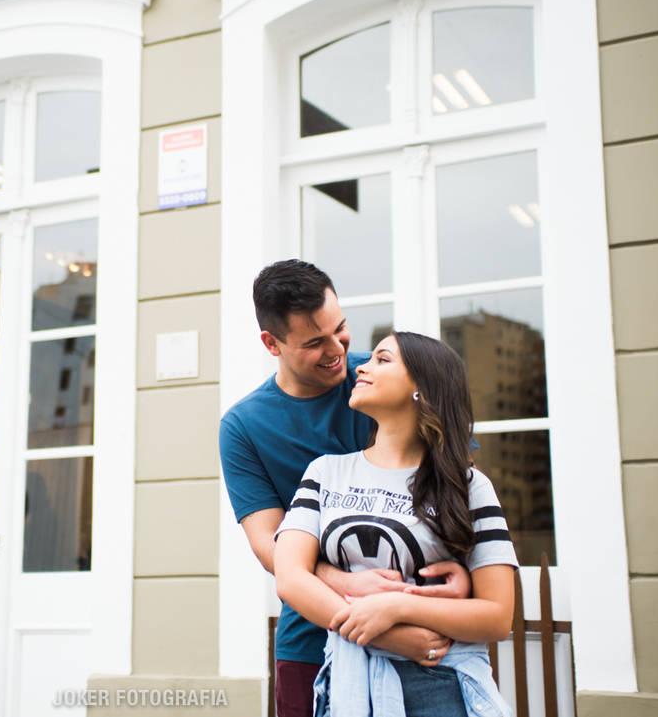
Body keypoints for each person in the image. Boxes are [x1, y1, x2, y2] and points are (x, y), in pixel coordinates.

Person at [220, 262, 470, 717]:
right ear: (271, 344)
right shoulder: (243, 427)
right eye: (314, 343)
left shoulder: (381, 382)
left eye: (341, 329)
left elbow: (459, 485)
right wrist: (347, 586)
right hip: (312, 645)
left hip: (427, 632)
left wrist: (467, 573)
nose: (337, 350)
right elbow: (268, 545)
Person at [274, 332, 517, 717]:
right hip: (347, 681)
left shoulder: (468, 486)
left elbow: (497, 616)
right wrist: (390, 633)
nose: (361, 368)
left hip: (440, 684)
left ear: (421, 387)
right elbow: (289, 578)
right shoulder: (324, 472)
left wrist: (396, 606)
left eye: (382, 360)